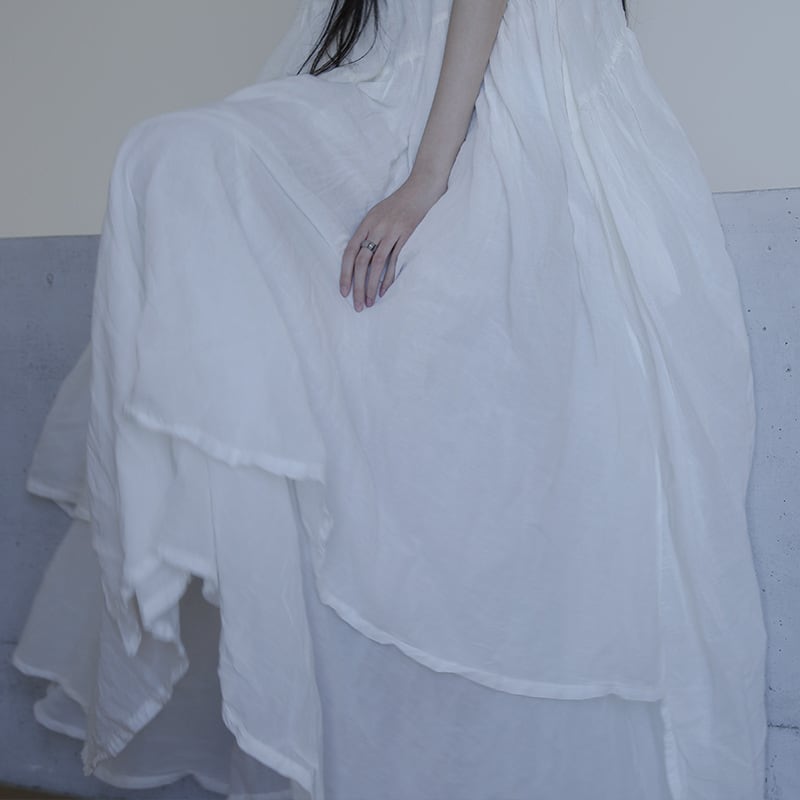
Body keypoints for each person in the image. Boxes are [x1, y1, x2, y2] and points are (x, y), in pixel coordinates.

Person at [12, 0, 768, 798]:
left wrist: (429, 175)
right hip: (392, 80)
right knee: (176, 164)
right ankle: (329, 722)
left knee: (459, 452)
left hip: (514, 89)